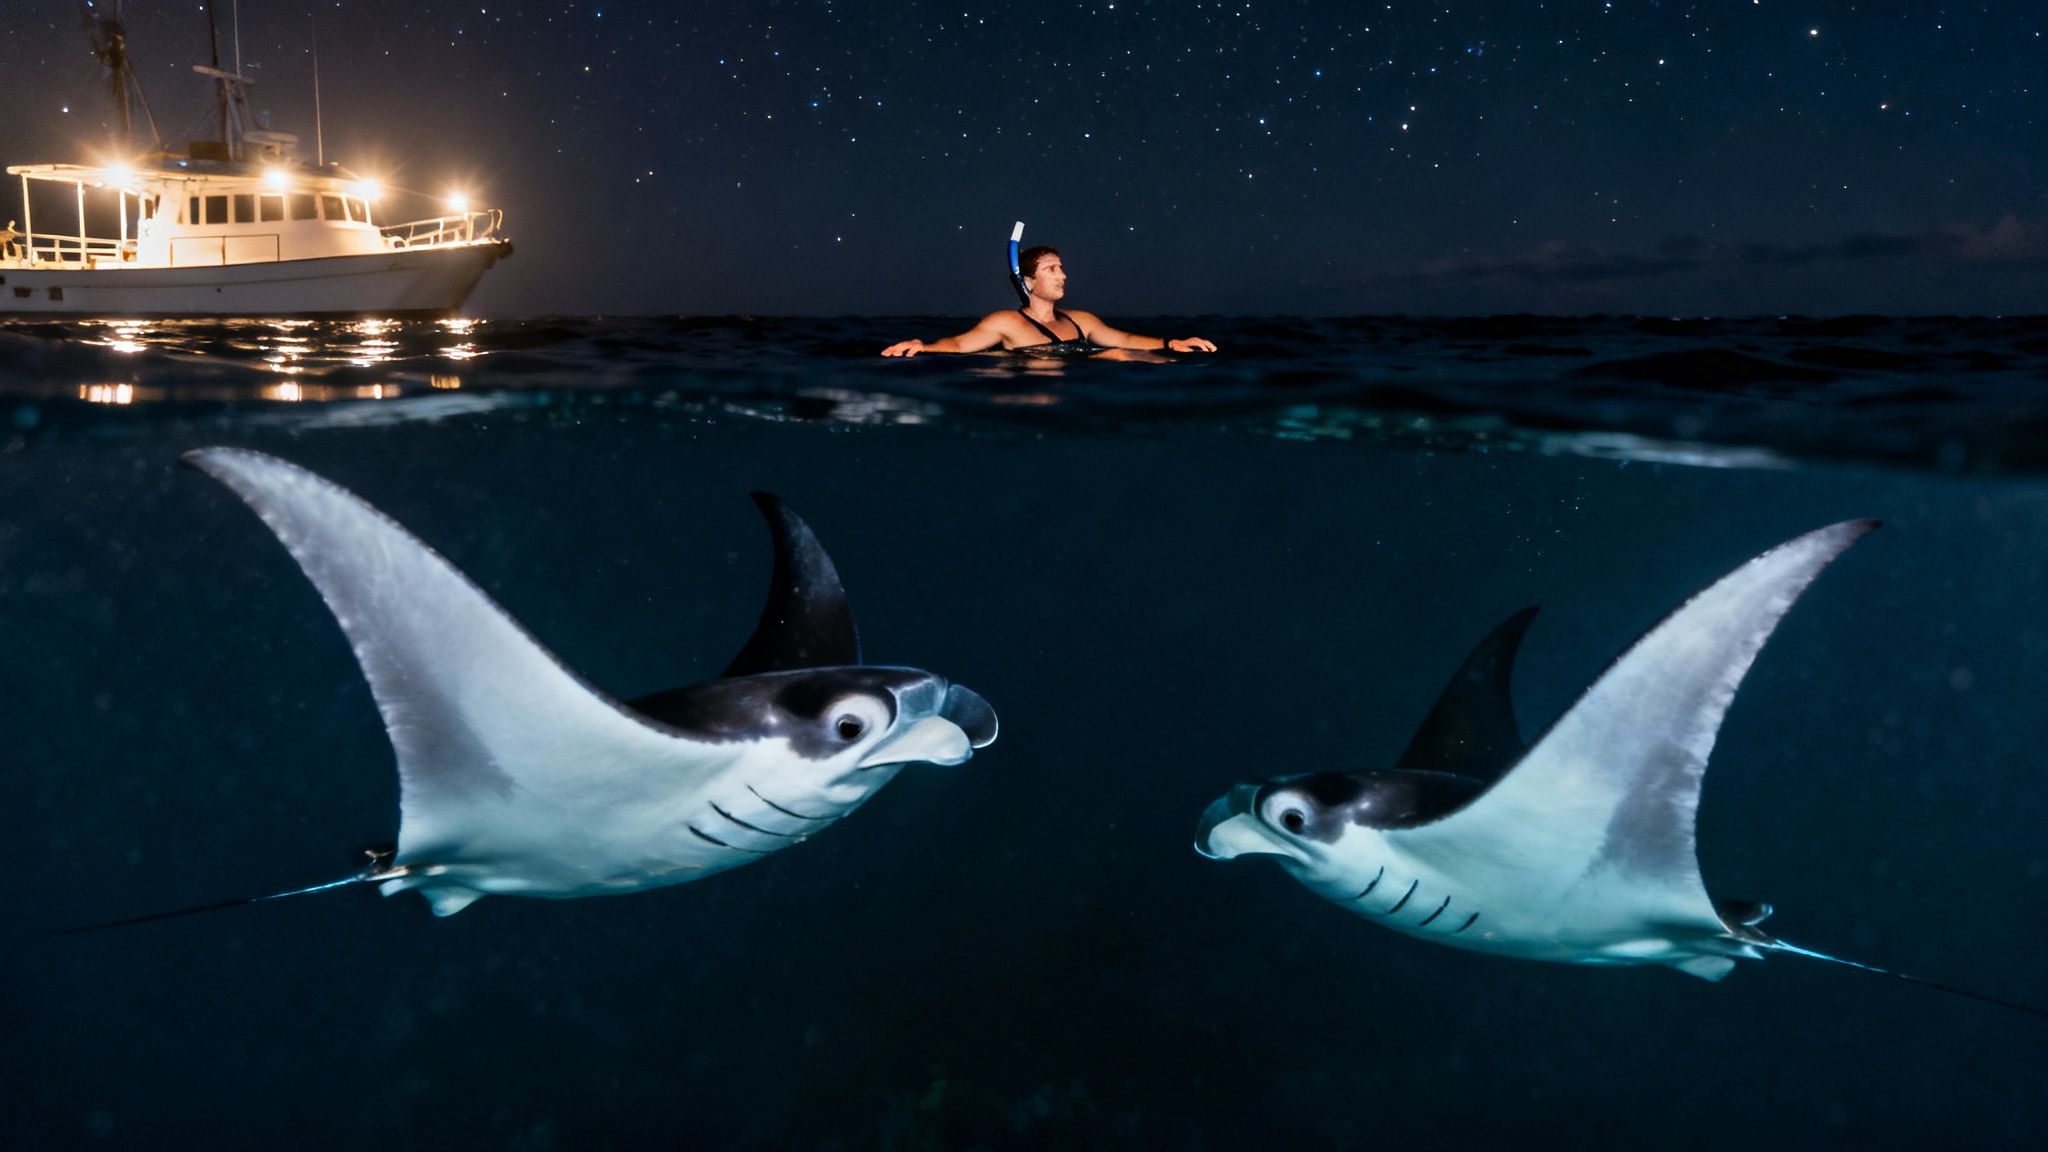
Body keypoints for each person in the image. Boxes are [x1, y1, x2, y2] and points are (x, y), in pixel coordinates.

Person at [881, 245, 1217, 357]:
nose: (1063, 275)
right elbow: (958, 344)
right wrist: (924, 346)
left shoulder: (1081, 320)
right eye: (1051, 269)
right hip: (1034, 397)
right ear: (1028, 281)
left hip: (1079, 388)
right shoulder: (1006, 322)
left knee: (1117, 354)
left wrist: (1172, 344)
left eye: (1062, 268)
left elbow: (1125, 339)